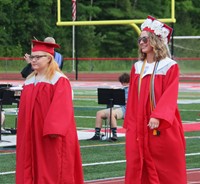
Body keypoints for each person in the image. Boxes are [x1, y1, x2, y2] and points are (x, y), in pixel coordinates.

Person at [123, 15, 187, 184]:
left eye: (145, 38)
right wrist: (130, 123)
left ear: (155, 40)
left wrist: (158, 116)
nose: (141, 42)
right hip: (139, 125)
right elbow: (132, 100)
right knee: (137, 163)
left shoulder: (169, 66)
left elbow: (170, 95)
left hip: (161, 124)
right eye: (139, 39)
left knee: (164, 166)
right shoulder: (137, 67)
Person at [16, 40, 84, 184]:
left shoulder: (58, 80)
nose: (33, 60)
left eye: (37, 57)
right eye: (32, 57)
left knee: (51, 170)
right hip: (31, 134)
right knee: (30, 166)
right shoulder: (29, 80)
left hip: (50, 137)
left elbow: (62, 108)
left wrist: (53, 130)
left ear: (48, 58)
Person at [88, 73, 130, 141]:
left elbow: (127, 101)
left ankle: (114, 135)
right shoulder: (122, 89)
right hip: (121, 108)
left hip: (127, 110)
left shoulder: (132, 89)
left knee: (110, 113)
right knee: (99, 113)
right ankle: (97, 135)